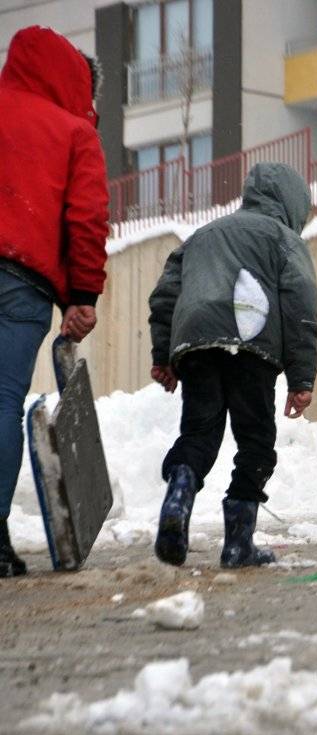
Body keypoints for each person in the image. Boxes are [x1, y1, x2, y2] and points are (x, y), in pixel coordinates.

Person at [148, 162, 317, 569]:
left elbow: (166, 295)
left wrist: (163, 355)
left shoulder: (203, 235)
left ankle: (178, 496)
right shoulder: (283, 238)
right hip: (251, 342)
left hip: (197, 342)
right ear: (292, 203)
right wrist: (301, 377)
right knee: (256, 441)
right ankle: (239, 543)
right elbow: (300, 306)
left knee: (199, 432)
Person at [0, 27, 109, 578]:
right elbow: (85, 218)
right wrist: (82, 295)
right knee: (1, 400)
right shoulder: (72, 131)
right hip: (21, 280)